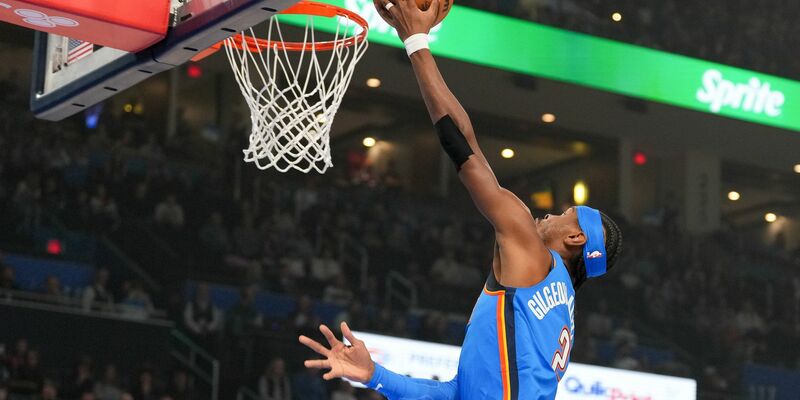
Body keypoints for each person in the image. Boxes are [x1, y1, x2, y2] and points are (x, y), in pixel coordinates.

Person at [297, 1, 623, 399]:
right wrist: (375, 376)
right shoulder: (557, 311)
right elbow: (456, 393)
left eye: (565, 214)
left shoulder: (534, 255)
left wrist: (417, 42)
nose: (551, 213)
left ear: (575, 239)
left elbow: (464, 149)